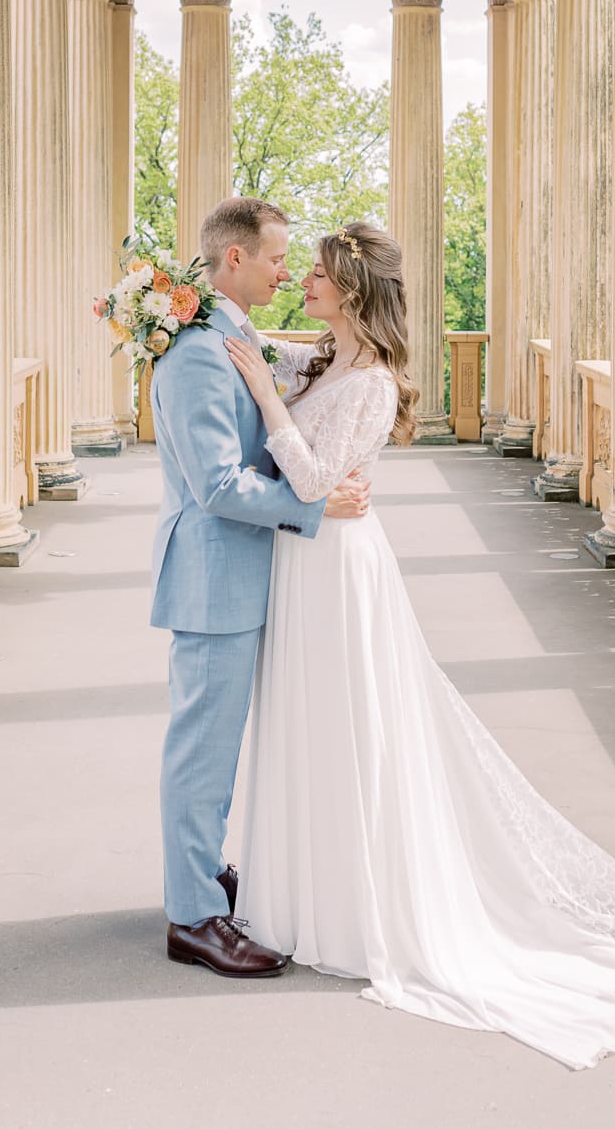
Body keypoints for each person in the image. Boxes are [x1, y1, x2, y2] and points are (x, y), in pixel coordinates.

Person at [224, 220, 615, 1070]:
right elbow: (267, 371)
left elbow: (314, 482)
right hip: (302, 565)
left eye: (316, 273)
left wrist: (268, 395)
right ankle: (302, 897)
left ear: (351, 288)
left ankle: (354, 904)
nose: (305, 282)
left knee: (353, 730)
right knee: (307, 725)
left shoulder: (374, 383)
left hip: (338, 570)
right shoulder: (328, 358)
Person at [150, 196, 370, 979]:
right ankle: (194, 916)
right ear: (234, 259)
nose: (289, 271)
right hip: (215, 577)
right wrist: (311, 504)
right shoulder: (198, 354)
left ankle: (200, 871)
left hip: (247, 574)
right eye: (279, 258)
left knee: (220, 745)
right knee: (202, 752)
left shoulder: (234, 335)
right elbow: (216, 485)